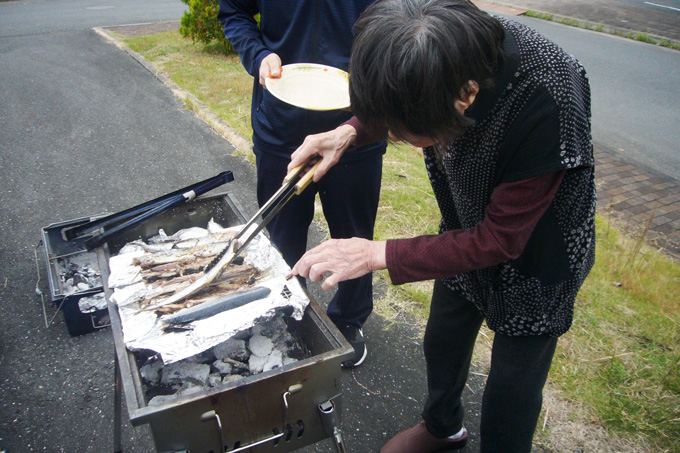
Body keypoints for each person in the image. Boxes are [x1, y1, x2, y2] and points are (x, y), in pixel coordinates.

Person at [288, 0, 596, 451]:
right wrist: (349, 131)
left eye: (401, 134)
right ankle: (442, 427)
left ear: (466, 95)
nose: (393, 136)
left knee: (512, 385)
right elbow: (400, 96)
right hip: (466, 221)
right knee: (443, 338)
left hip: (540, 247)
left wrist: (377, 253)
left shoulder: (548, 94)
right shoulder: (434, 55)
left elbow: (502, 238)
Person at [218, 1, 387, 368]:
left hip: (357, 129)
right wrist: (257, 53)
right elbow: (233, 11)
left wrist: (368, 108)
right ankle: (289, 312)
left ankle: (348, 320)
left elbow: (403, 26)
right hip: (281, 127)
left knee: (354, 236)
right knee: (281, 238)